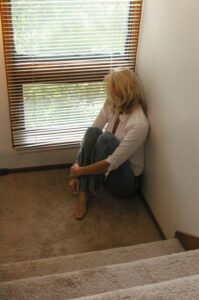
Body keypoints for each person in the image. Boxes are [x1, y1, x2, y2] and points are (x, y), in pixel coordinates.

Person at [69, 67, 149, 220]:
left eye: (112, 93)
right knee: (93, 131)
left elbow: (110, 163)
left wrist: (78, 172)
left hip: (126, 181)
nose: (109, 97)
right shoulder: (113, 104)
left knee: (107, 139)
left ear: (123, 94)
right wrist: (77, 165)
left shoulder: (139, 124)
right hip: (106, 171)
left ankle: (84, 192)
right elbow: (89, 137)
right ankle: (85, 191)